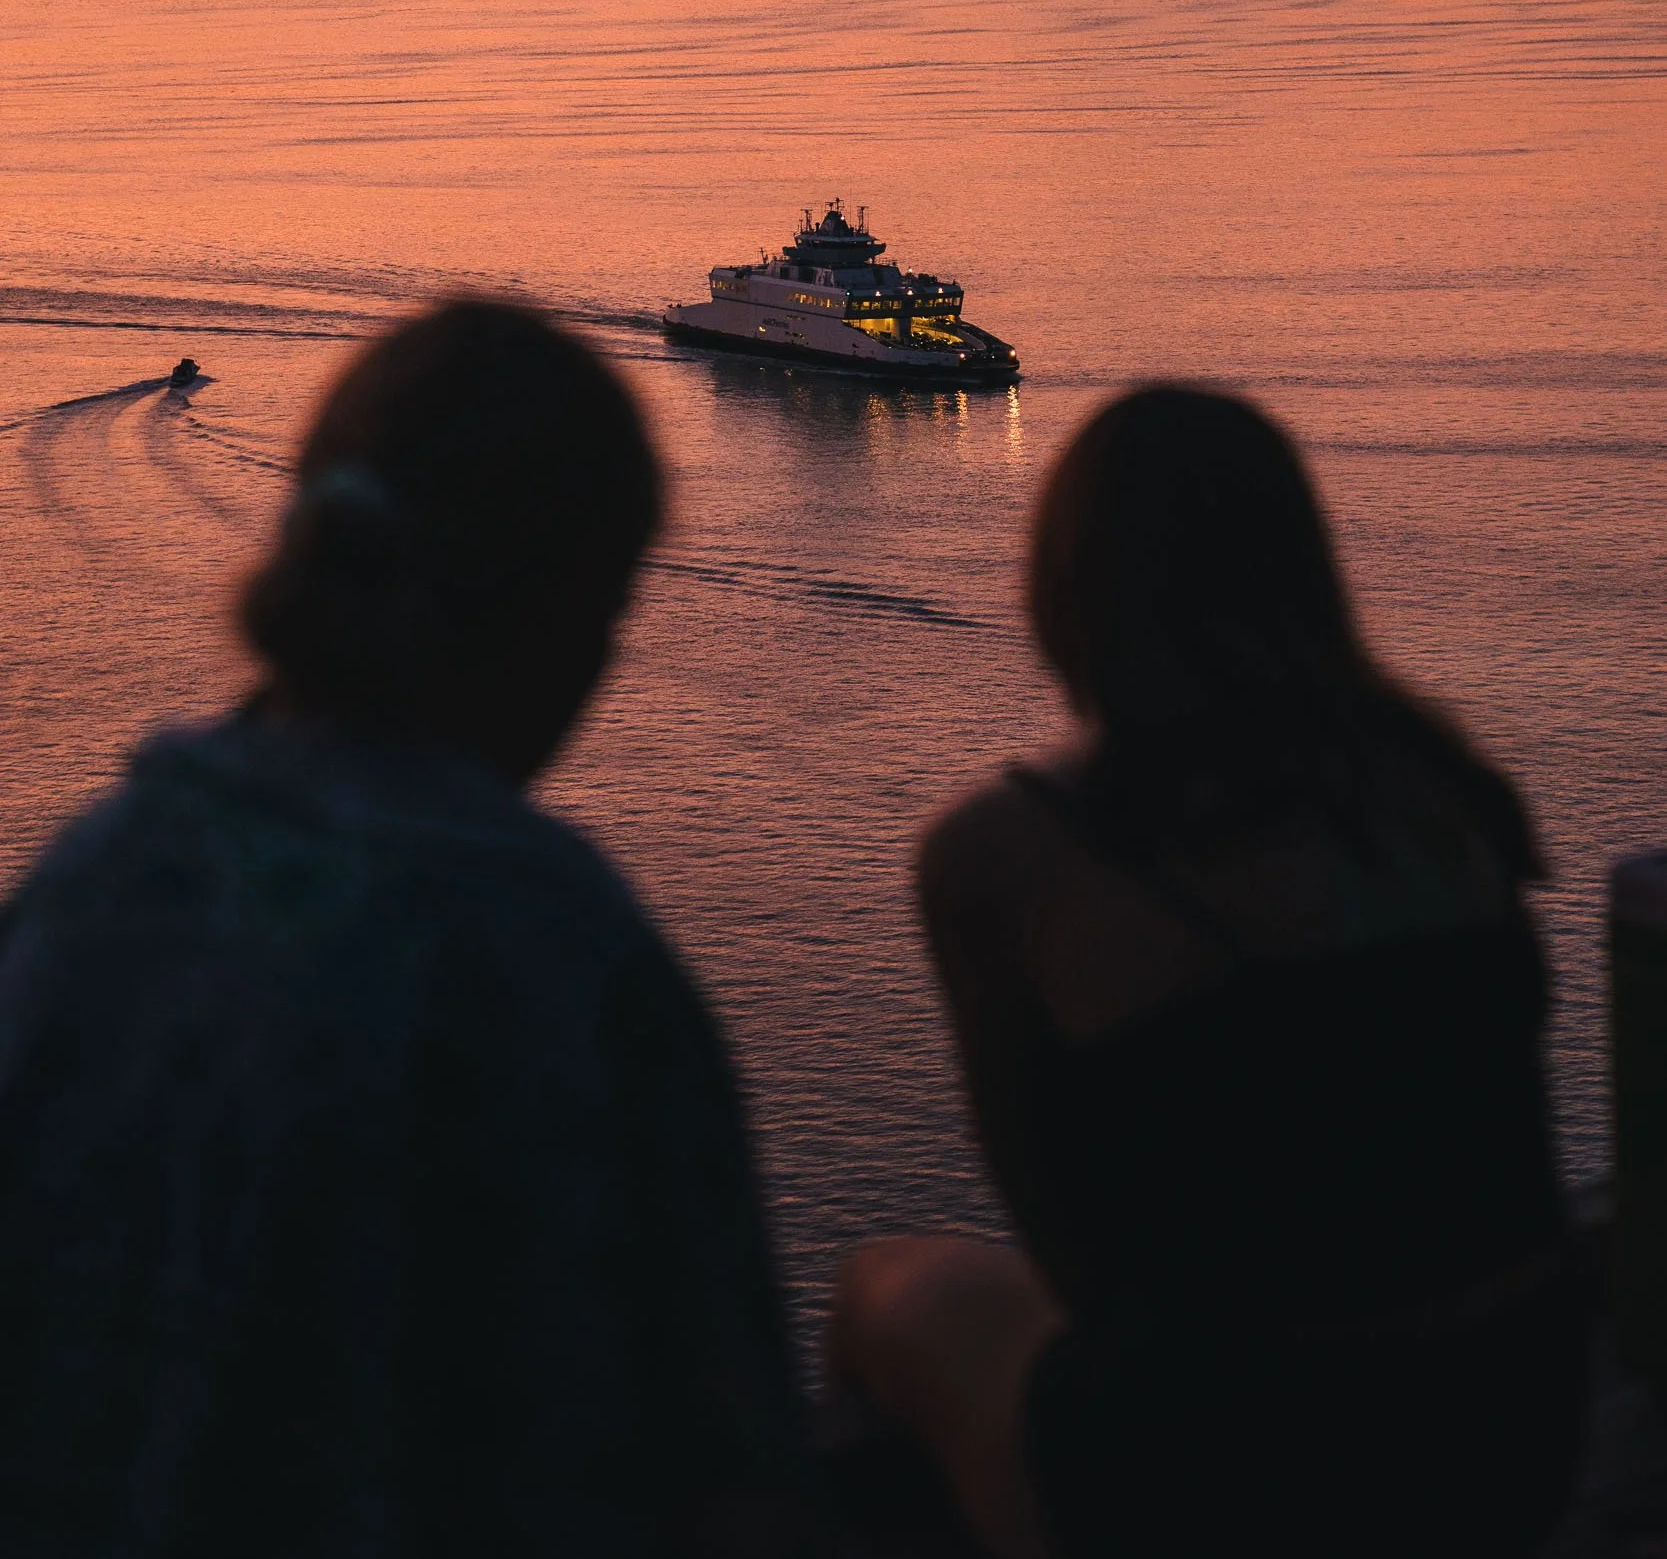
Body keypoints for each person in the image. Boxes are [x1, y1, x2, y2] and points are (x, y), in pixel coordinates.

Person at [0, 298, 820, 1558]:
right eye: (610, 619)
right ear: (557, 609)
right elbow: (726, 1460)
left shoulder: (79, 884)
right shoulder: (552, 948)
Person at [832, 385, 1591, 1559]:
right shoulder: (1442, 787)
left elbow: (1065, 1248)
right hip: (1511, 1437)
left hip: (1223, 1475)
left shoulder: (1005, 852)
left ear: (1065, 580)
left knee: (883, 1286)